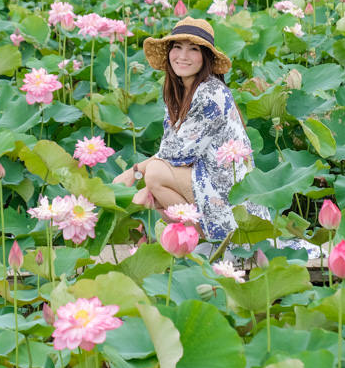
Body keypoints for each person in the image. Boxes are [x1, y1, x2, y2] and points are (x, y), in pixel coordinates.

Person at [113, 17, 269, 240]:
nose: (182, 56)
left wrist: (133, 173)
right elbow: (170, 149)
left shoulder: (210, 94)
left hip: (229, 192)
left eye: (193, 49)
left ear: (205, 57)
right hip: (204, 178)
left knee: (155, 177)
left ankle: (215, 243)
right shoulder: (179, 93)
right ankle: (199, 244)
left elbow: (173, 156)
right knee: (154, 194)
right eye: (177, 47)